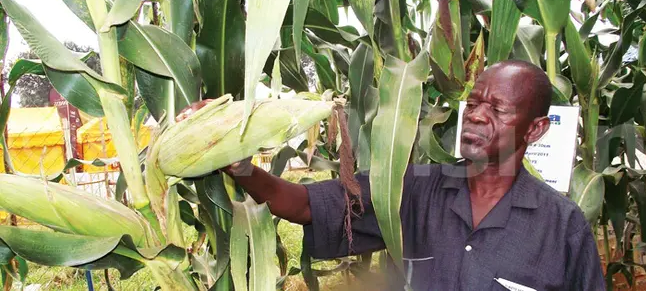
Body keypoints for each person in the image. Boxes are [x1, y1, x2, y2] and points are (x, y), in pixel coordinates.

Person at [181, 60, 606, 290]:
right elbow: (307, 205)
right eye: (473, 103)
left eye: (497, 109)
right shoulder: (412, 191)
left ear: (535, 129)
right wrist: (240, 163)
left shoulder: (563, 228)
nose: (476, 116)